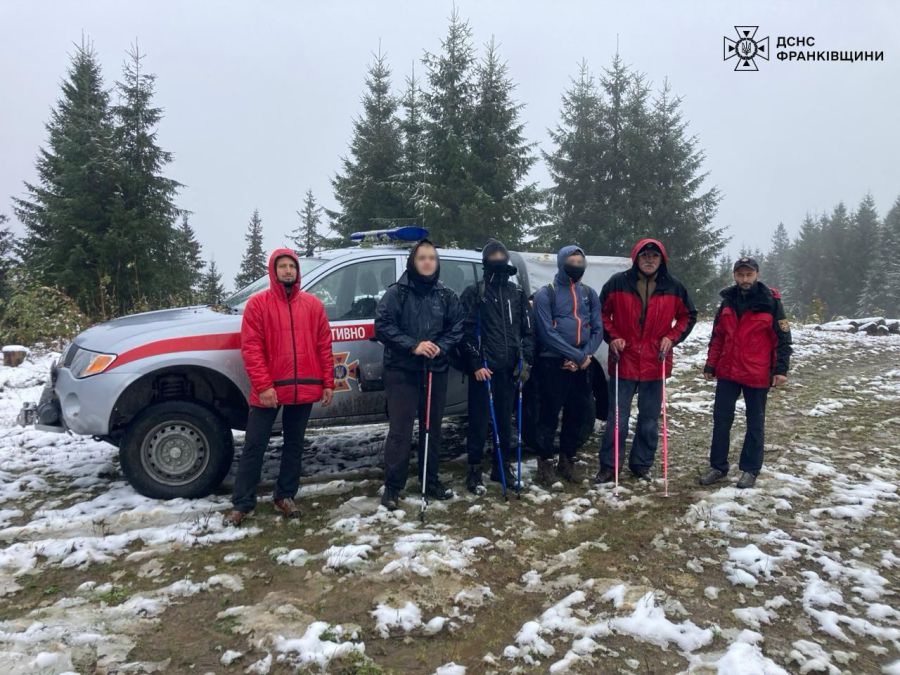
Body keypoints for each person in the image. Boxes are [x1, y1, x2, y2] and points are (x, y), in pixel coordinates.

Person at [229, 248, 334, 526]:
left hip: (305, 387)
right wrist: (264, 386)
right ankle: (242, 503)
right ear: (273, 271)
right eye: (282, 266)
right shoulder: (258, 304)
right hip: (270, 390)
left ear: (297, 271)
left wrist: (328, 382)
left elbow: (324, 346)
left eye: (292, 266)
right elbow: (252, 349)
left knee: (294, 444)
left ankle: (285, 495)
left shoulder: (312, 305)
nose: (288, 270)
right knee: (255, 444)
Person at [595, 239, 696, 484]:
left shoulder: (674, 286)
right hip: (624, 358)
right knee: (617, 418)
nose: (649, 260)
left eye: (654, 256)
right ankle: (609, 466)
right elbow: (600, 313)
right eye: (644, 256)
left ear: (662, 260)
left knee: (649, 420)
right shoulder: (618, 282)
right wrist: (613, 336)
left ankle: (641, 464)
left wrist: (672, 337)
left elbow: (688, 316)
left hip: (655, 360)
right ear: (636, 258)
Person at [374, 240, 464, 509]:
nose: (427, 262)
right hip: (402, 370)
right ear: (413, 261)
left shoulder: (446, 295)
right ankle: (393, 487)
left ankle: (430, 480)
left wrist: (441, 347)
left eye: (431, 258)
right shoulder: (397, 293)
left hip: (435, 369)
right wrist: (413, 345)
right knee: (400, 431)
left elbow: (457, 327)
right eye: (422, 257)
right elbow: (383, 326)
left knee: (432, 429)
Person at [699, 256, 792, 489]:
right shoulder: (727, 302)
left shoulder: (771, 302)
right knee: (721, 420)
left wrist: (781, 369)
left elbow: (783, 339)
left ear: (757, 274)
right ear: (734, 276)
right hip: (728, 371)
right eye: (740, 275)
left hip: (757, 373)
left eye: (749, 274)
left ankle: (750, 469)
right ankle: (718, 466)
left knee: (755, 422)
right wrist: (711, 364)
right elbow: (717, 336)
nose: (744, 279)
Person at [459, 239, 535, 494]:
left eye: (502, 254)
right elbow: (464, 333)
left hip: (510, 370)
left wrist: (525, 361)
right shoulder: (475, 293)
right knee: (479, 423)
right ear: (485, 261)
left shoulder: (517, 294)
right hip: (484, 371)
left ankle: (502, 466)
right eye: (493, 255)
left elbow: (528, 332)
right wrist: (475, 364)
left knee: (505, 422)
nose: (498, 259)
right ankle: (474, 470)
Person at [532, 245, 603, 486]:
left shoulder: (589, 294)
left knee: (577, 412)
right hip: (553, 363)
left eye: (580, 262)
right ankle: (545, 463)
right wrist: (575, 355)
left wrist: (585, 355)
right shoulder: (546, 294)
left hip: (582, 364)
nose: (576, 266)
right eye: (572, 262)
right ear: (562, 263)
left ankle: (567, 460)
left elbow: (598, 328)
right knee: (549, 414)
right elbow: (546, 332)